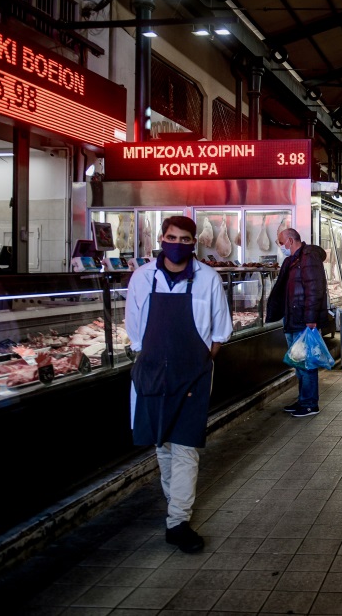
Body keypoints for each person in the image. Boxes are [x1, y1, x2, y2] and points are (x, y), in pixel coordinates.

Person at [126, 216, 233, 554]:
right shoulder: (142, 278)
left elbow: (220, 334)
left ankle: (177, 520)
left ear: (193, 243)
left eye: (185, 239)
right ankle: (176, 505)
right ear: (162, 238)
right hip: (153, 372)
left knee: (185, 448)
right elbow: (134, 334)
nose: (178, 244)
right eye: (172, 237)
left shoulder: (208, 279)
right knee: (162, 445)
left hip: (193, 375)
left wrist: (198, 364)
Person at [267, 228, 328, 418]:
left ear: (290, 241)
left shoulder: (308, 259)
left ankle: (310, 404)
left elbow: (315, 289)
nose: (281, 246)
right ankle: (303, 399)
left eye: (280, 242)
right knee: (298, 363)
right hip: (293, 318)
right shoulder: (293, 261)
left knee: (307, 363)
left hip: (303, 321)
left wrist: (311, 318)